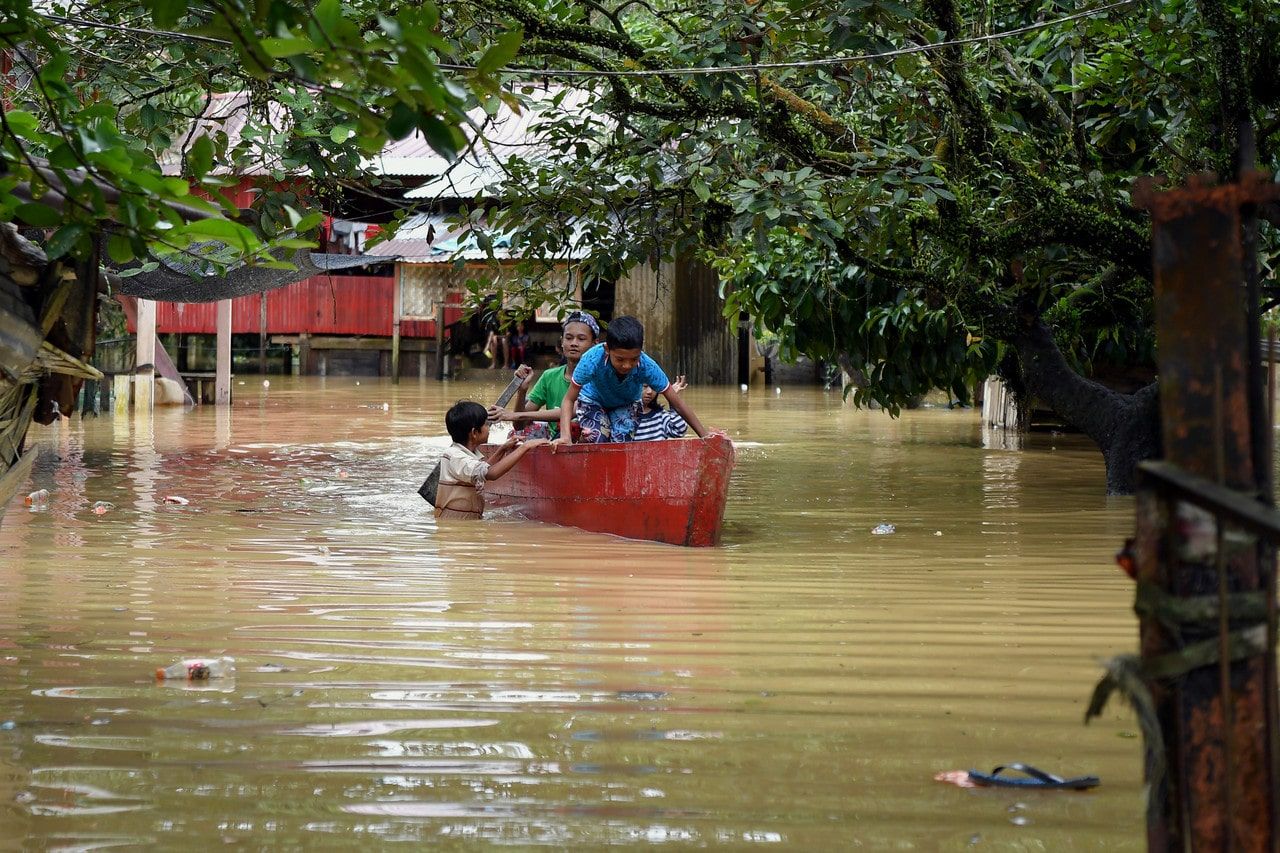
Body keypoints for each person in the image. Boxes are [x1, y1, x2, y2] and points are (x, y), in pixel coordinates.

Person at [556, 315, 709, 444]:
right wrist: (565, 437)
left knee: (620, 443)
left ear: (640, 351)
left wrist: (706, 437)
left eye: (633, 359)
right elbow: (568, 400)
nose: (627, 365)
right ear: (607, 350)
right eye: (620, 359)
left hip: (627, 403)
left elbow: (678, 404)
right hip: (593, 400)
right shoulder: (591, 361)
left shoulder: (648, 366)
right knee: (598, 438)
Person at [488, 311, 599, 439]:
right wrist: (522, 390)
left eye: (581, 339)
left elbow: (571, 411)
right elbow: (519, 425)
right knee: (516, 435)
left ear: (594, 344)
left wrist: (512, 415)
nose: (574, 343)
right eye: (569, 338)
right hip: (555, 440)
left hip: (587, 439)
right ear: (562, 342)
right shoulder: (549, 376)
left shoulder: (599, 377)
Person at [434, 400, 547, 519]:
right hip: (455, 528)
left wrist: (502, 450)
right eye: (486, 425)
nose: (489, 428)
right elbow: (491, 474)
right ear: (474, 433)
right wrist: (525, 447)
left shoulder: (462, 455)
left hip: (462, 523)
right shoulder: (456, 457)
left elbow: (481, 472)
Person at [633, 376, 690, 441]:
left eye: (654, 387)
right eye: (645, 386)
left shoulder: (660, 415)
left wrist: (672, 398)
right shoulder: (626, 416)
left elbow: (680, 430)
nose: (650, 391)